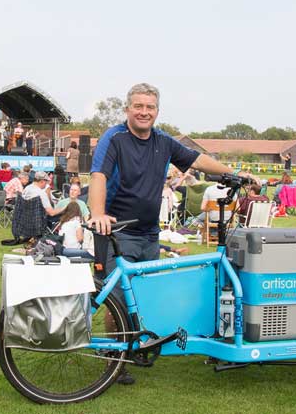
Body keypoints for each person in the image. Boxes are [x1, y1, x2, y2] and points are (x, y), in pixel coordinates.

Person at [88, 83, 254, 384]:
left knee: (144, 295)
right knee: (117, 299)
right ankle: (116, 360)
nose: (144, 112)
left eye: (149, 107)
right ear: (127, 109)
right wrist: (98, 214)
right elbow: (98, 175)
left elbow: (196, 160)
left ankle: (135, 346)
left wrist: (233, 174)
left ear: (157, 111)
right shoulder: (114, 138)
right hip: (115, 230)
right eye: (138, 106)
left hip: (149, 232)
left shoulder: (162, 141)